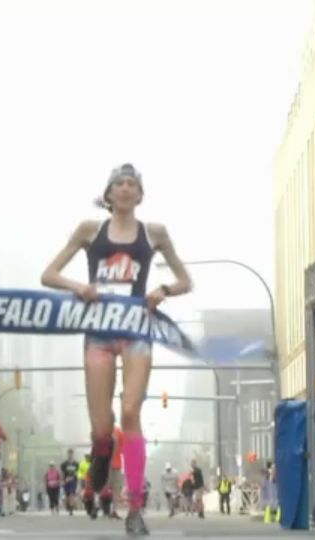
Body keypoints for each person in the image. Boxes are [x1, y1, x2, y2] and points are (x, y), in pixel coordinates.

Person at [42, 163, 192, 536]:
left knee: (130, 411)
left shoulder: (154, 233)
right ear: (108, 195)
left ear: (139, 195)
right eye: (119, 184)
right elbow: (48, 274)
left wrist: (162, 291)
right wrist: (80, 287)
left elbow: (185, 280)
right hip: (98, 335)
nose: (125, 189)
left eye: (132, 184)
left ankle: (135, 508)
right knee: (101, 428)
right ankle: (99, 458)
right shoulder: (90, 231)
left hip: (136, 331)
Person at [60, 449, 80, 515]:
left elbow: (77, 473)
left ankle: (71, 508)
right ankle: (69, 505)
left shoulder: (76, 464)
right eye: (69, 454)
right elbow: (62, 473)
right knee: (67, 494)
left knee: (72, 494)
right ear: (67, 454)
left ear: (73, 454)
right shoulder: (64, 464)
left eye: (71, 454)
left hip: (73, 481)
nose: (70, 455)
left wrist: (77, 481)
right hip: (66, 481)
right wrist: (63, 480)